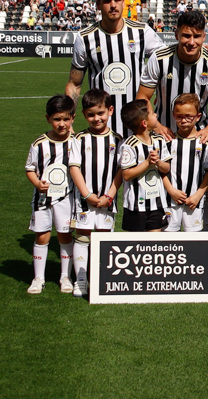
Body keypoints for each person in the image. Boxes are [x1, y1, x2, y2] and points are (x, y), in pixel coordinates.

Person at [67, 0, 163, 135]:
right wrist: (68, 120)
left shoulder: (141, 32)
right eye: (107, 1)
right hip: (100, 128)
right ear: (98, 5)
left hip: (137, 127)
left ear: (124, 2)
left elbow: (167, 60)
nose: (113, 5)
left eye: (117, 0)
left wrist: (200, 48)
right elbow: (74, 83)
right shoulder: (85, 38)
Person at [137, 10, 208, 140]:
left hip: (199, 135)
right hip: (164, 134)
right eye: (186, 35)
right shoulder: (159, 59)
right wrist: (157, 126)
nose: (191, 42)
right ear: (176, 35)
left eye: (196, 36)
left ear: (204, 37)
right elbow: (142, 98)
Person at [67, 90, 123, 298]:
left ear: (110, 110)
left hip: (107, 200)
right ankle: (80, 281)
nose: (96, 118)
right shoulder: (79, 139)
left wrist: (108, 195)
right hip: (84, 201)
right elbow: (74, 168)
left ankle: (101, 279)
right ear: (84, 115)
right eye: (91, 115)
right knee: (82, 236)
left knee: (103, 237)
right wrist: (87, 195)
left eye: (100, 113)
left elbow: (121, 171)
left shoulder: (118, 140)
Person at [24, 95, 77, 295]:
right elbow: (30, 168)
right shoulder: (39, 143)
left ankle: (65, 276)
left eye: (65, 119)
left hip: (67, 198)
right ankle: (38, 278)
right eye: (56, 119)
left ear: (72, 118)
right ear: (48, 119)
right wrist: (37, 183)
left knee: (64, 235)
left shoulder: (76, 142)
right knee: (42, 236)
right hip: (43, 200)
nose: (61, 124)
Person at [162, 93, 208, 233]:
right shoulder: (168, 143)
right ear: (173, 116)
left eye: (188, 116)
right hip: (170, 201)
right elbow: (161, 171)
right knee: (168, 240)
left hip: (194, 202)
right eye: (179, 116)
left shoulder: (204, 144)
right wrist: (171, 191)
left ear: (198, 117)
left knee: (193, 241)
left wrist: (198, 195)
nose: (184, 120)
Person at [118, 100, 172, 232]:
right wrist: (147, 163)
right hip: (136, 206)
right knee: (136, 245)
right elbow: (126, 175)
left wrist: (159, 163)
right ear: (144, 123)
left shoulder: (159, 141)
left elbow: (167, 168)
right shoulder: (129, 145)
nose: (156, 116)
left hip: (156, 204)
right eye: (153, 113)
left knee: (154, 243)